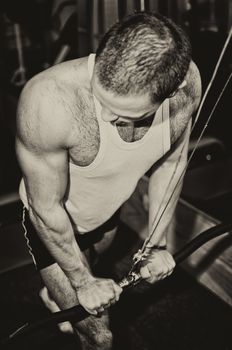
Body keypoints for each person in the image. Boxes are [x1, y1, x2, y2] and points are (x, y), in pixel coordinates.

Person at [15, 11, 201, 350]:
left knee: (95, 257)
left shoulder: (187, 88)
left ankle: (54, 293)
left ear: (172, 91)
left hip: (106, 218)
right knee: (100, 337)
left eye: (122, 114)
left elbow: (171, 165)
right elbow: (45, 208)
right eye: (101, 100)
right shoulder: (47, 101)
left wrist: (155, 246)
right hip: (54, 227)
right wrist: (82, 281)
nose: (104, 116)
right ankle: (62, 288)